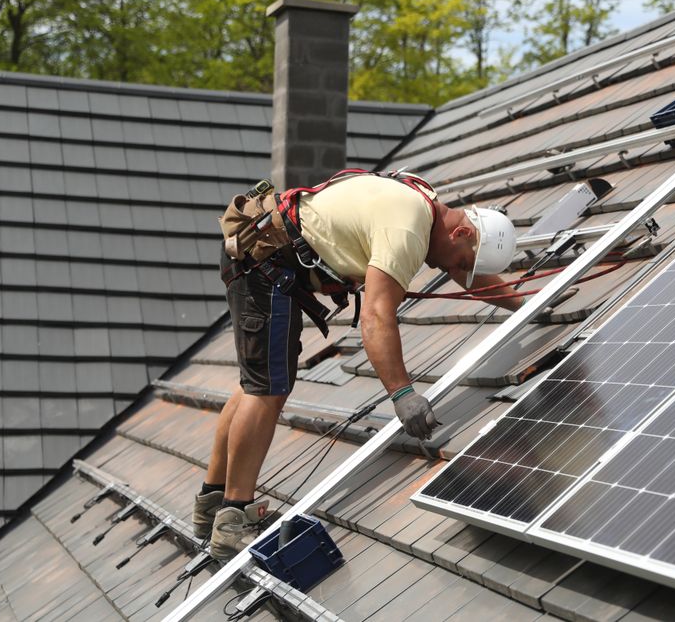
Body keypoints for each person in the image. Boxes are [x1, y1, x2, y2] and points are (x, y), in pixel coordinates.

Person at [194, 172, 524, 561]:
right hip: (264, 264)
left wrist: (523, 304)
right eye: (461, 263)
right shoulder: (408, 230)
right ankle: (234, 522)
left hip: (259, 251)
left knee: (258, 383)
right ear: (461, 233)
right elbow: (376, 316)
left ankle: (211, 504)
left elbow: (467, 272)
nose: (451, 272)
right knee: (267, 389)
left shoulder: (424, 204)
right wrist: (402, 393)